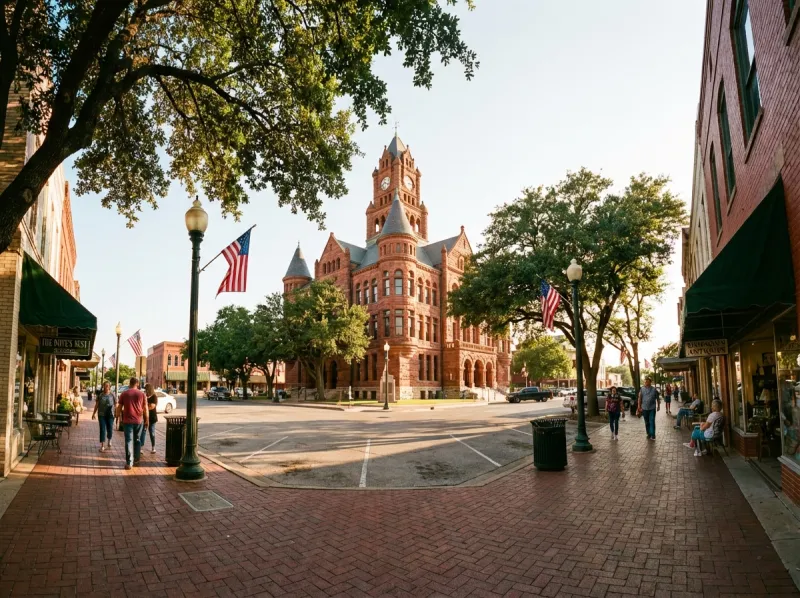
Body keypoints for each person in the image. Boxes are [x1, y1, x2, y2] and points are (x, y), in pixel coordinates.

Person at [116, 377, 148, 470]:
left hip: (127, 421)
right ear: (137, 384)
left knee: (129, 441)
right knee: (137, 439)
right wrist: (147, 420)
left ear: (130, 383)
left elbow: (119, 407)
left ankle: (129, 462)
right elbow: (145, 408)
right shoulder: (142, 394)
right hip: (139, 421)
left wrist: (117, 416)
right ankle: (136, 459)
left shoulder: (124, 393)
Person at [92, 382, 117, 451]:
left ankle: (109, 439)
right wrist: (93, 413)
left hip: (110, 415)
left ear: (109, 387)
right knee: (102, 429)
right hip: (101, 414)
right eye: (105, 386)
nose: (106, 387)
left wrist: (116, 413)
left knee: (110, 428)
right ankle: (102, 445)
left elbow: (116, 404)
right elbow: (97, 405)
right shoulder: (100, 395)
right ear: (103, 387)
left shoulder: (112, 395)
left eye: (107, 386)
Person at [637, 376, 660, 440]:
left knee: (652, 421)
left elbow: (657, 398)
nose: (646, 382)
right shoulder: (642, 389)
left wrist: (658, 406)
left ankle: (653, 435)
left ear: (650, 382)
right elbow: (639, 398)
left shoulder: (654, 389)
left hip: (652, 408)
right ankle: (648, 434)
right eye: (645, 381)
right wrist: (639, 407)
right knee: (647, 422)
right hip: (644, 408)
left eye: (647, 381)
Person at [140, 384, 158, 455]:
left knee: (152, 432)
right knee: (143, 432)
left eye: (146, 389)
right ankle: (141, 447)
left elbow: (152, 406)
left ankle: (153, 447)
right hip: (144, 418)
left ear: (149, 389)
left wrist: (145, 407)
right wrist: (146, 406)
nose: (145, 390)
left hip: (152, 418)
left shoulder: (154, 396)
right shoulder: (144, 396)